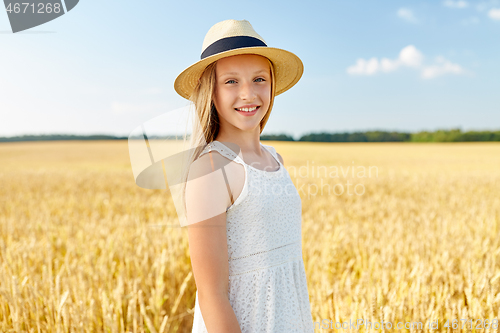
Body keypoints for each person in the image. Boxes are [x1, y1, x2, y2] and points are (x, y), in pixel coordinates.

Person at [174, 19, 314, 333]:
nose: (248, 94)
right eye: (231, 82)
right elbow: (211, 294)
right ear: (210, 92)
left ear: (273, 86)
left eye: (259, 79)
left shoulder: (276, 158)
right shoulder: (210, 168)